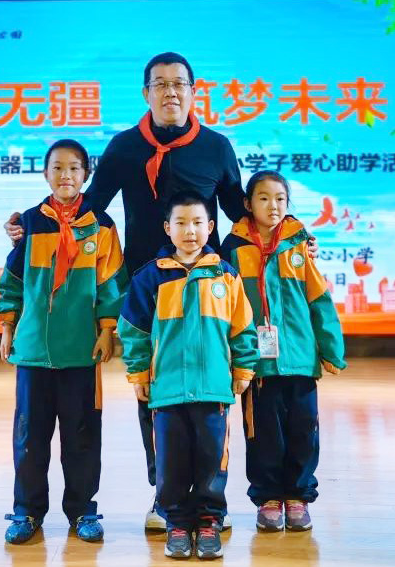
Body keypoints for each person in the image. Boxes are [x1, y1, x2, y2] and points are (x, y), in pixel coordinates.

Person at [4, 52, 317, 530]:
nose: (171, 92)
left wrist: (293, 235)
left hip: (207, 290)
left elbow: (241, 212)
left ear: (193, 91)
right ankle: (164, 497)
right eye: (161, 84)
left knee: (210, 398)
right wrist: (29, 224)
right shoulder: (124, 147)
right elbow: (89, 207)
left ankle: (209, 502)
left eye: (179, 84)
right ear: (146, 93)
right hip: (146, 289)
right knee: (151, 391)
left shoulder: (216, 147)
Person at [0, 139, 127, 544]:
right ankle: (26, 512)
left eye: (74, 168)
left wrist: (107, 330)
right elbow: (12, 281)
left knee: (82, 437)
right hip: (33, 351)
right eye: (57, 167)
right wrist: (7, 326)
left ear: (86, 174)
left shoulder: (102, 226)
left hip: (81, 351)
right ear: (45, 173)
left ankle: (83, 510)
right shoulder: (29, 223)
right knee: (29, 438)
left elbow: (111, 283)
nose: (65, 175)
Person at [117, 190, 259, 559]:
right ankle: (177, 522)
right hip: (166, 390)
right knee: (171, 461)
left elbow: (243, 327)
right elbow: (133, 332)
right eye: (181, 222)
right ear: (167, 228)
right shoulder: (149, 278)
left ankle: (209, 520)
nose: (190, 230)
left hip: (214, 389)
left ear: (210, 227)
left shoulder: (226, 276)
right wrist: (139, 373)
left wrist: (244, 367)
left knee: (212, 459)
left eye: (197, 222)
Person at [218, 170, 346, 533]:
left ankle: (298, 496)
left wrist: (331, 348)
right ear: (247, 204)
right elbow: (226, 307)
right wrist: (231, 357)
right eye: (263, 198)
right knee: (263, 436)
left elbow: (318, 299)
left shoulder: (299, 245)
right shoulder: (233, 248)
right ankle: (269, 497)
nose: (272, 206)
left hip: (301, 360)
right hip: (258, 366)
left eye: (280, 199)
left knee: (304, 431)